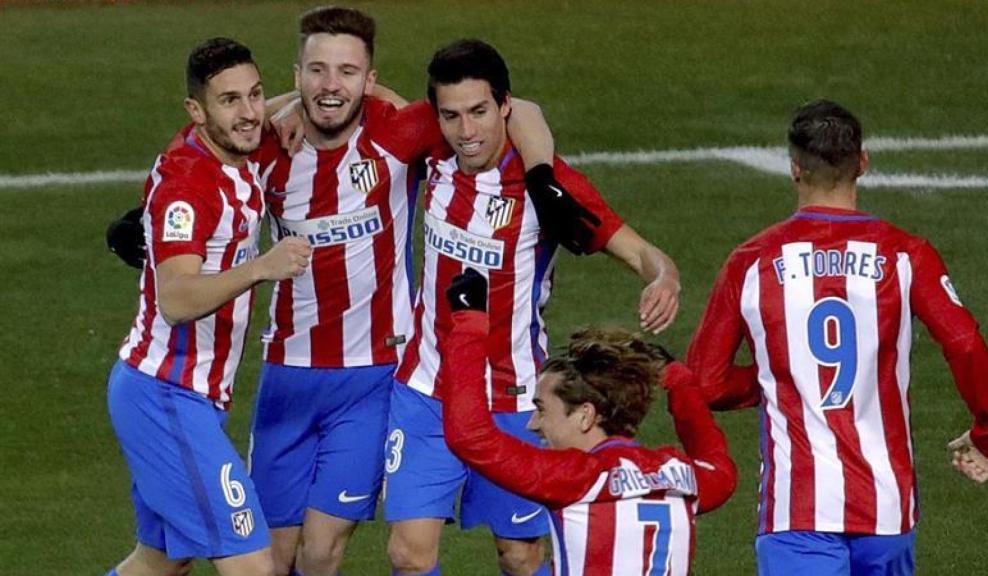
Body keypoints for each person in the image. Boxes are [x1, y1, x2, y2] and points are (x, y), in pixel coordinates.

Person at [244, 7, 558, 576]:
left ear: (369, 79)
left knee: (324, 550)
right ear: (297, 74)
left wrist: (540, 175)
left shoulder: (399, 132)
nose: (329, 84)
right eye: (316, 70)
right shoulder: (269, 146)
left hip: (374, 373)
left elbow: (520, 108)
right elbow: (210, 138)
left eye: (346, 71)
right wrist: (275, 111)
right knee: (269, 559)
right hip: (287, 372)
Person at [384, 39, 681, 576]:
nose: (466, 131)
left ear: (504, 107)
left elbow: (636, 248)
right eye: (451, 115)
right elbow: (355, 98)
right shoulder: (432, 147)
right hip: (427, 386)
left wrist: (665, 277)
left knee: (520, 556)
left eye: (479, 112)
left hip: (516, 397)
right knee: (408, 553)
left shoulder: (548, 186)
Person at [684, 99, 988, 575]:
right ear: (863, 162)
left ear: (795, 169)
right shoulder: (906, 253)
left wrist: (786, 376)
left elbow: (705, 382)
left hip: (796, 511)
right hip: (887, 508)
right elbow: (963, 343)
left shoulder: (751, 261)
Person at [105, 38, 312, 576]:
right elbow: (175, 299)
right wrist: (261, 267)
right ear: (197, 111)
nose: (249, 113)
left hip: (183, 397)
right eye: (230, 101)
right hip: (165, 396)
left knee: (160, 563)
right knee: (252, 561)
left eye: (256, 95)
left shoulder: (239, 146)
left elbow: (304, 102)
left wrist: (293, 103)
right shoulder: (189, 187)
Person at [438, 268, 737, 575]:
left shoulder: (576, 478)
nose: (533, 424)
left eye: (542, 409)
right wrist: (680, 382)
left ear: (585, 415)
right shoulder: (681, 475)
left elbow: (469, 436)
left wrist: (469, 324)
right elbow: (720, 468)